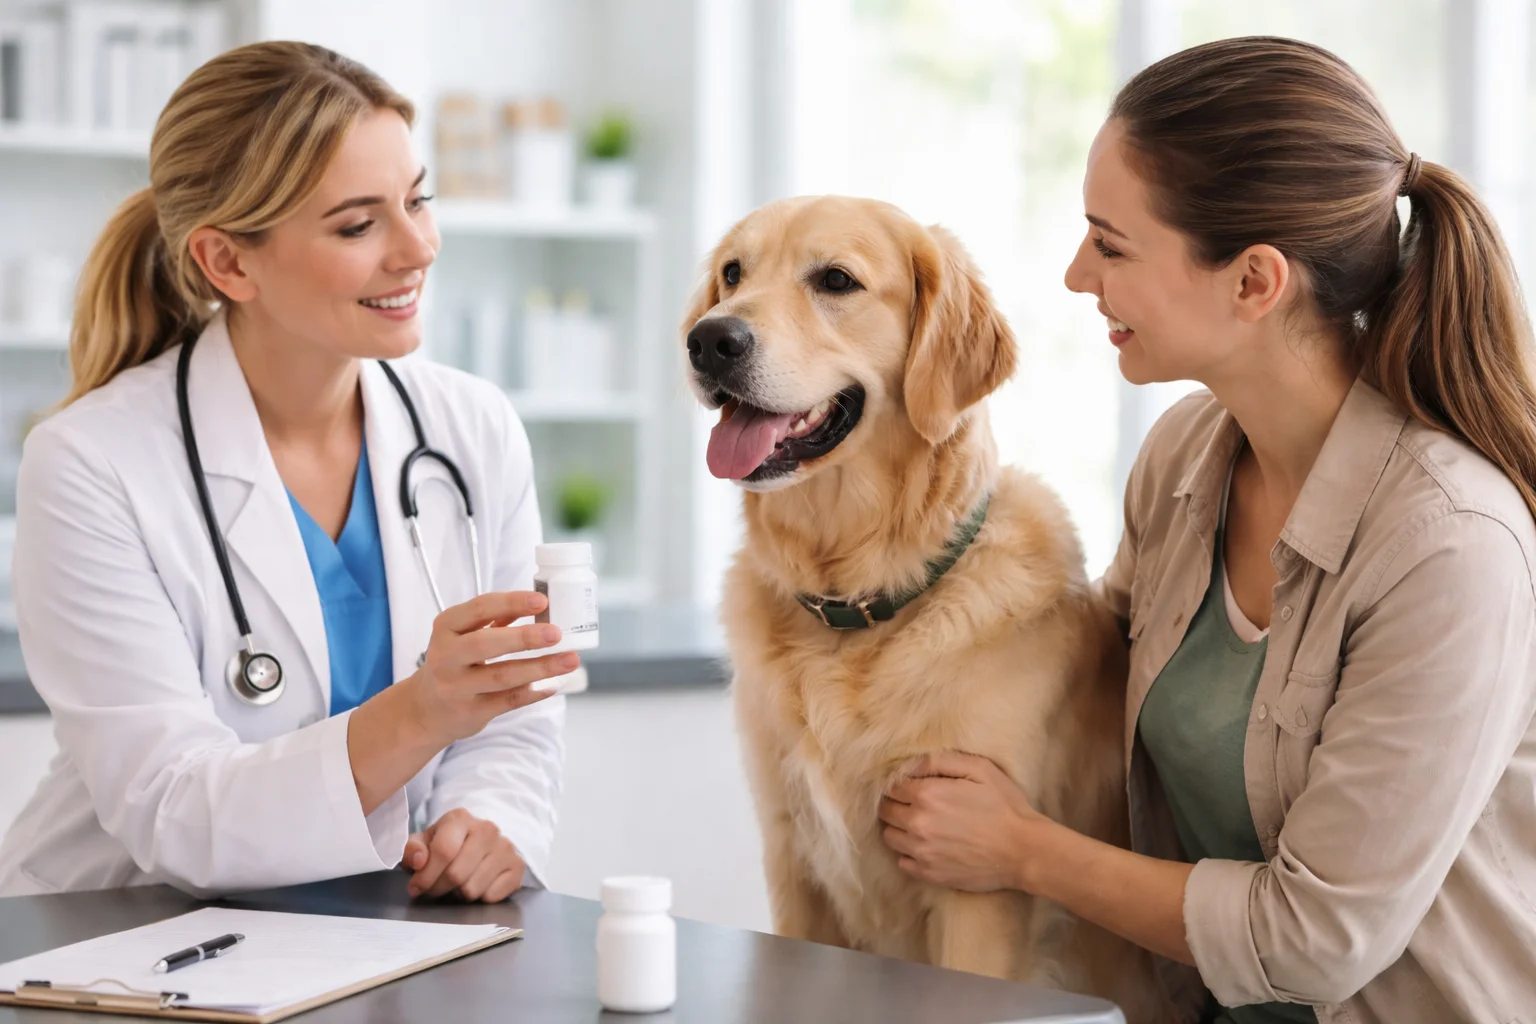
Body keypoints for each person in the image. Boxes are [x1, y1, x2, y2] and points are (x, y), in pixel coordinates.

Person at [877, 36, 1536, 1024]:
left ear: (1254, 283)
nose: (1073, 274)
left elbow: (1312, 941)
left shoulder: (1451, 544)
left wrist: (1021, 847)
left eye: (1111, 242)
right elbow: (1081, 688)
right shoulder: (1186, 458)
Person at [0, 42, 576, 903]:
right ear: (229, 262)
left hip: (379, 927)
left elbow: (512, 710)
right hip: (121, 939)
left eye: (418, 201)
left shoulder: (470, 428)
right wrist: (423, 708)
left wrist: (491, 822)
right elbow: (175, 809)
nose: (417, 248)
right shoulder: (91, 463)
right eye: (358, 224)